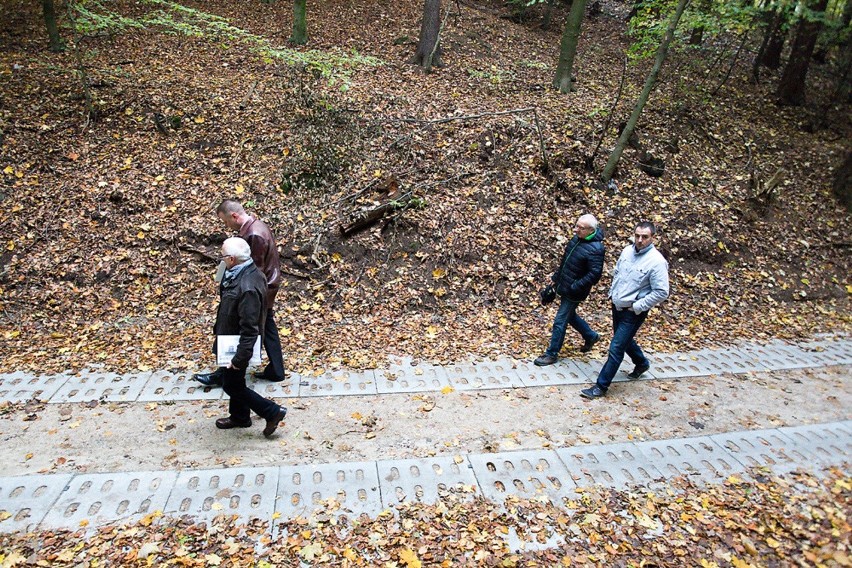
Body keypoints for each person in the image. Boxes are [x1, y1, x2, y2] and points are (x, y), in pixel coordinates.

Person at [194, 199, 285, 386]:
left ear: (234, 216)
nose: (226, 226)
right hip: (265, 287)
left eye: (225, 221)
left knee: (232, 326)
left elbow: (252, 268)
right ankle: (276, 369)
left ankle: (224, 372)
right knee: (267, 326)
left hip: (257, 290)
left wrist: (235, 288)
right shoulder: (256, 226)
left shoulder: (254, 234)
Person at [580, 221, 670, 399]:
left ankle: (601, 386)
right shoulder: (627, 251)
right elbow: (618, 273)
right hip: (617, 306)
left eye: (645, 237)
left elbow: (661, 291)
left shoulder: (657, 261)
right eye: (637, 235)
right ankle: (641, 363)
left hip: (633, 311)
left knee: (616, 346)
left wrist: (638, 306)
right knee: (624, 340)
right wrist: (612, 294)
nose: (639, 240)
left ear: (652, 238)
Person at [208, 237, 287, 437]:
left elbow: (250, 328)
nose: (221, 259)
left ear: (232, 259)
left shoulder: (248, 287)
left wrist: (239, 358)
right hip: (230, 337)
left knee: (232, 385)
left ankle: (271, 411)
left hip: (237, 343)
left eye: (223, 256)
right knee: (236, 381)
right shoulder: (243, 272)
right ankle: (240, 416)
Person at [534, 214, 605, 366]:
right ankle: (591, 336)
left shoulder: (596, 249)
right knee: (569, 316)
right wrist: (555, 278)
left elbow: (594, 275)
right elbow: (566, 262)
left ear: (591, 230)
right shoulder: (577, 240)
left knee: (560, 320)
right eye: (576, 226)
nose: (576, 230)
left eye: (580, 228)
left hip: (575, 291)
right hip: (564, 284)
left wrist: (575, 286)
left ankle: (552, 353)